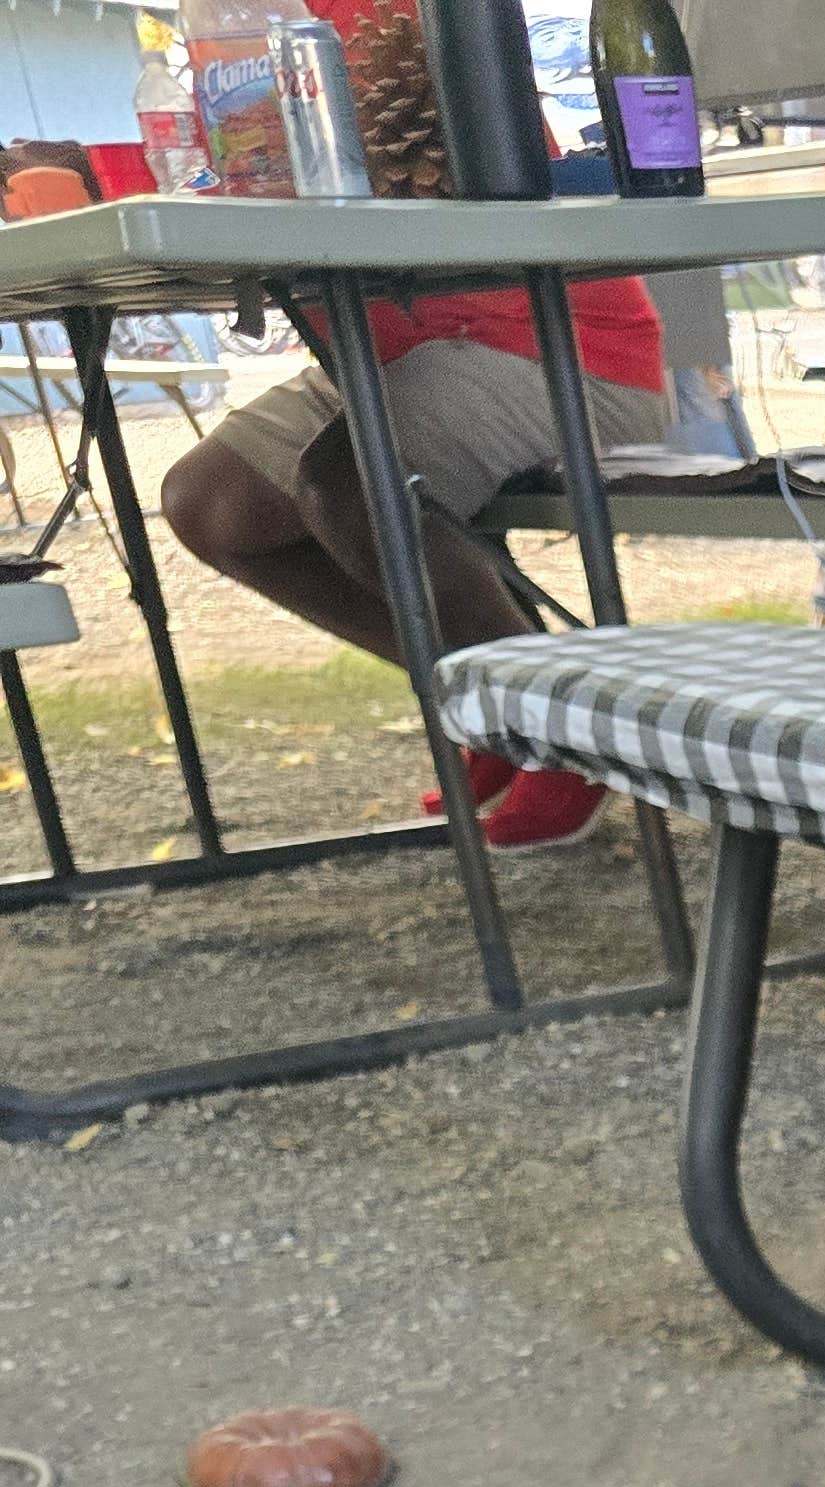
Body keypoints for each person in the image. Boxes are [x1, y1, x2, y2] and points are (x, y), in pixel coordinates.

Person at [159, 0, 670, 851]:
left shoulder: (387, 18)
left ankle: (561, 730)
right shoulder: (227, 24)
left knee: (344, 480)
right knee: (208, 503)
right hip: (389, 353)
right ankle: (492, 704)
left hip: (557, 344)